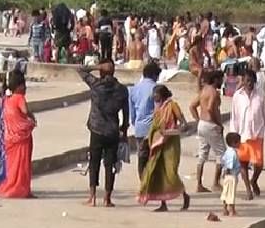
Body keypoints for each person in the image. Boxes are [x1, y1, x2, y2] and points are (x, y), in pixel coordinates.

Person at [80, 59, 130, 207]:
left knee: (94, 162)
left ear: (101, 71)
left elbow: (81, 70)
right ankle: (107, 198)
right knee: (110, 165)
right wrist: (124, 131)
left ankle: (92, 197)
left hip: (96, 129)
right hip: (113, 131)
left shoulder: (96, 85)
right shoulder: (121, 90)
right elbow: (126, 114)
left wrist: (96, 66)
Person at [138, 84, 189, 212]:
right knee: (158, 171)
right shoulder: (157, 108)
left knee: (171, 172)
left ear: (163, 94)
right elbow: (154, 126)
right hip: (157, 142)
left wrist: (177, 129)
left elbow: (183, 123)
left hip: (171, 143)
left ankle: (184, 194)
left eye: (157, 95)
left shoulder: (172, 105)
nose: (154, 97)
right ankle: (163, 204)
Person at [231, 69, 265, 198]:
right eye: (247, 81)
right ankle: (248, 190)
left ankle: (254, 180)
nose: (249, 83)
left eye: (252, 81)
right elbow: (234, 117)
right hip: (242, 135)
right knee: (243, 163)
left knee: (259, 164)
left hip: (257, 134)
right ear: (243, 82)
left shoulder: (260, 95)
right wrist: (233, 135)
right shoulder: (237, 96)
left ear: (255, 81)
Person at [0, 70, 37, 199]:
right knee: (23, 165)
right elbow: (25, 111)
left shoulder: (6, 99)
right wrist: (32, 117)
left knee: (12, 166)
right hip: (22, 138)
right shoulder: (20, 98)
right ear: (18, 86)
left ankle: (11, 187)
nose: (25, 88)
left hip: (10, 138)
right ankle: (21, 189)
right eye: (23, 85)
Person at [189, 70, 225, 192]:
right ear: (216, 80)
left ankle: (199, 184)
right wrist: (218, 123)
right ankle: (216, 182)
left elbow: (192, 106)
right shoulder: (214, 93)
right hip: (211, 124)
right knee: (221, 155)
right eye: (221, 79)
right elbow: (210, 108)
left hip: (202, 124)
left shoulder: (203, 90)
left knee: (202, 155)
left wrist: (198, 119)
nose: (222, 82)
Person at [129, 61, 162, 179]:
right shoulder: (156, 89)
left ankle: (143, 181)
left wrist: (134, 122)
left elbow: (132, 111)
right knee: (154, 156)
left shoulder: (134, 89)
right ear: (154, 75)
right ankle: (151, 182)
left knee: (141, 156)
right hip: (153, 128)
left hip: (139, 127)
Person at [219, 131, 245, 217]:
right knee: (231, 193)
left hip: (228, 175)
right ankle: (232, 210)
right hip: (231, 175)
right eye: (238, 142)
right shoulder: (233, 153)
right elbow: (229, 165)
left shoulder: (227, 151)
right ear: (234, 143)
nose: (240, 143)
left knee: (226, 192)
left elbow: (223, 161)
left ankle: (224, 209)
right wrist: (228, 173)